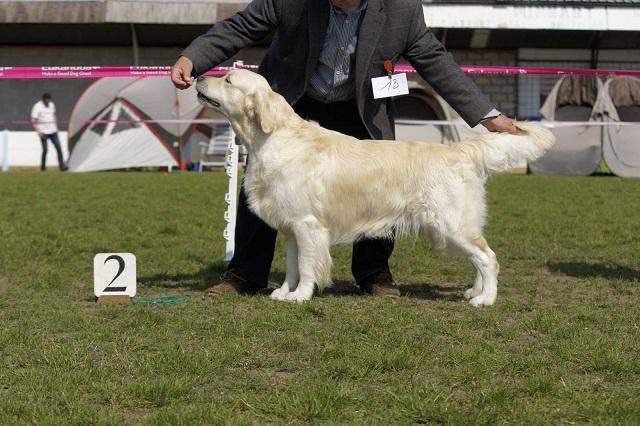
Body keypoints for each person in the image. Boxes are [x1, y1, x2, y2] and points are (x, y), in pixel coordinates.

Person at [171, 0, 522, 298]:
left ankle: (373, 275)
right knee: (265, 184)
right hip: (293, 105)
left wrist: (488, 117)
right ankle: (246, 274)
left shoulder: (401, 10)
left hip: (360, 108)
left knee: (379, 186)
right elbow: (241, 26)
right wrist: (193, 58)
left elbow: (436, 61)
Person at [31, 93, 66, 171]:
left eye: (49, 100)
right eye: (46, 100)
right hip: (43, 132)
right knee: (45, 150)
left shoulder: (51, 104)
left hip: (53, 131)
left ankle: (62, 166)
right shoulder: (37, 107)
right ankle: (43, 167)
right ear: (43, 99)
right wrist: (38, 131)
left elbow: (54, 115)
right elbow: (33, 120)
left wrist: (56, 127)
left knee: (59, 148)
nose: (48, 102)